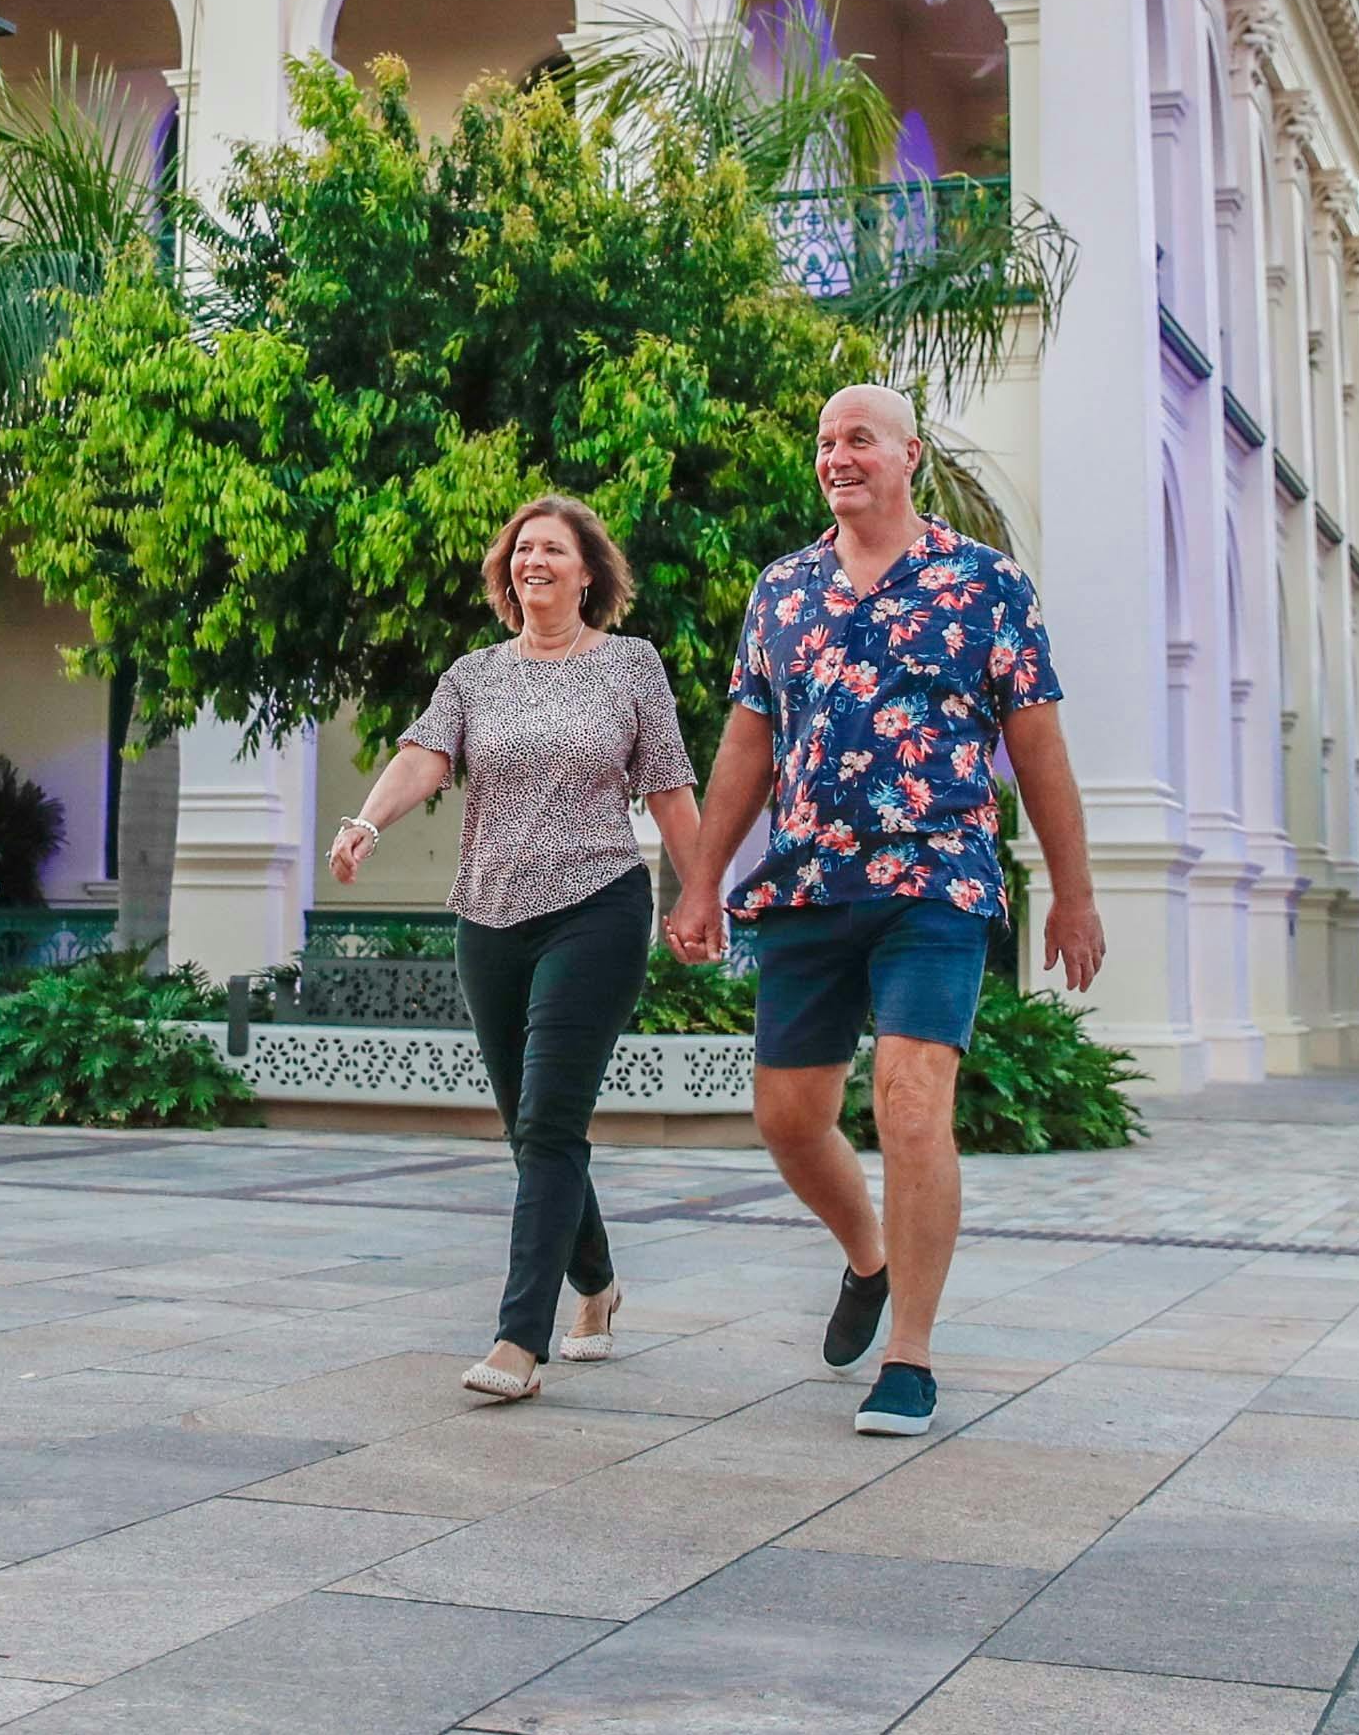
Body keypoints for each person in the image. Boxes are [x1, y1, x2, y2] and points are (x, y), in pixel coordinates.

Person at [672, 384, 1102, 1440]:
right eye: (825, 442)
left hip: (937, 877)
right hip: (808, 881)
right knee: (787, 1116)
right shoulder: (783, 588)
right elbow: (746, 744)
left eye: (858, 438)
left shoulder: (986, 582)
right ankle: (867, 1256)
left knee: (911, 1104)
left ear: (909, 454)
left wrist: (1074, 891)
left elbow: (1038, 745)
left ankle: (909, 1354)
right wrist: (702, 878)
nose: (837, 456)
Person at [333, 494, 703, 1403]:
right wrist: (367, 822)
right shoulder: (475, 675)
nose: (534, 560)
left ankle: (517, 1340)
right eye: (522, 549)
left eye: (553, 549)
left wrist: (699, 895)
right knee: (528, 1126)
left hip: (597, 906)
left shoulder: (630, 664)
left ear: (588, 573)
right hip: (489, 914)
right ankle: (598, 1285)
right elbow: (425, 755)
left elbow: (667, 787)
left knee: (548, 1123)